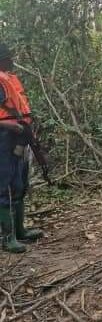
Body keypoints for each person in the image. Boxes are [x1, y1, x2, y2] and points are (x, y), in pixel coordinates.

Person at [0, 43, 43, 253]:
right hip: (4, 139)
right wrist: (10, 125)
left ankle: (19, 231)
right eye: (8, 57)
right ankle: (7, 237)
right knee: (4, 188)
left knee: (19, 185)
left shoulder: (9, 79)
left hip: (18, 138)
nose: (12, 60)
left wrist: (26, 129)